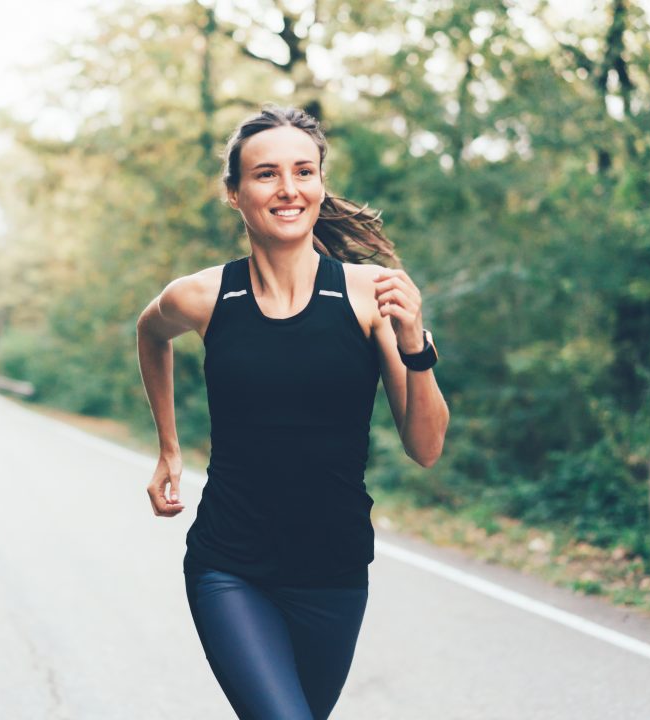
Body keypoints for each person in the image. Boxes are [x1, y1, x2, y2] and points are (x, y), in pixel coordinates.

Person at [135, 105, 450, 719]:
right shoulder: (202, 296)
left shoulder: (371, 295)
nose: (288, 189)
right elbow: (151, 334)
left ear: (321, 185)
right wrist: (168, 447)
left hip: (333, 571)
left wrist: (416, 345)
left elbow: (427, 448)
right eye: (265, 174)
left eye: (304, 171)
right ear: (235, 193)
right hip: (230, 566)